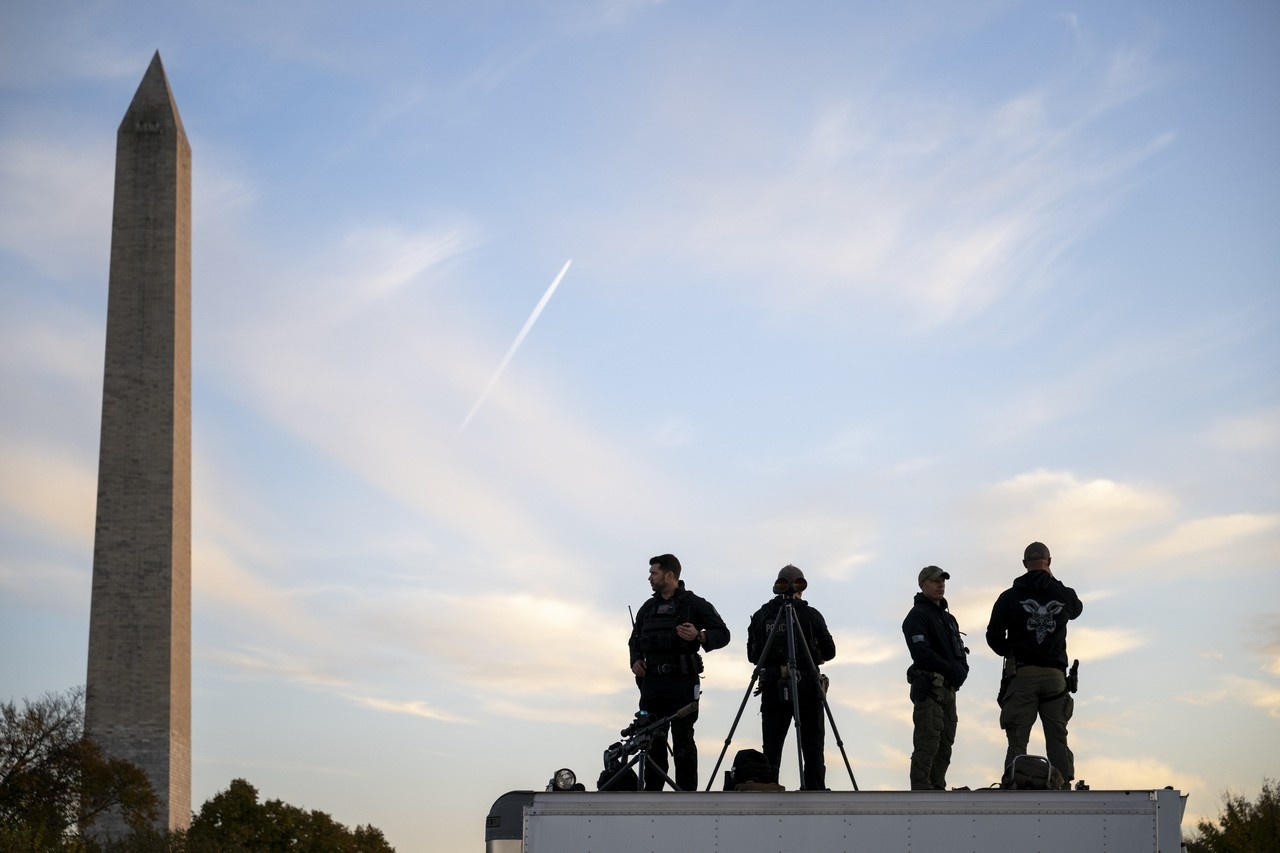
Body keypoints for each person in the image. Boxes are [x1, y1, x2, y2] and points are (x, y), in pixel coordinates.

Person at [985, 541, 1083, 788]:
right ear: (1049, 562)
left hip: (1023, 675)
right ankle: (1062, 788)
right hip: (1055, 678)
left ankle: (1013, 787)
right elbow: (1077, 608)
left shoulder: (1009, 596)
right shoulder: (1062, 594)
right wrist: (1053, 581)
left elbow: (993, 636)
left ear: (1024, 565)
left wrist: (1012, 651)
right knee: (1057, 737)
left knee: (1018, 738)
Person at [629, 553, 729, 791]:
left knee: (683, 741)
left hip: (682, 683)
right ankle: (653, 795)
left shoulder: (693, 604)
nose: (650, 578)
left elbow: (723, 634)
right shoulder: (648, 608)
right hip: (652, 685)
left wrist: (700, 636)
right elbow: (634, 641)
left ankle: (686, 796)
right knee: (652, 740)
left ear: (670, 575)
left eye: (654, 573)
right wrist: (635, 662)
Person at [746, 565, 836, 790]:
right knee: (813, 748)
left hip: (773, 687)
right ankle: (814, 792)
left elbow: (753, 656)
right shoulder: (810, 615)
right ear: (800, 586)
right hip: (806, 685)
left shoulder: (761, 615)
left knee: (772, 750)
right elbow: (830, 652)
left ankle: (769, 793)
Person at [901, 565, 969, 791]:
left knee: (945, 744)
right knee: (927, 741)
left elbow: (959, 653)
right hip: (931, 689)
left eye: (943, 581)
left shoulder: (949, 619)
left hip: (949, 691)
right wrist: (952, 668)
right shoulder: (917, 616)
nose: (940, 585)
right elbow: (922, 654)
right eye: (934, 581)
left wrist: (961, 670)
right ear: (922, 585)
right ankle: (921, 791)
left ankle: (937, 788)